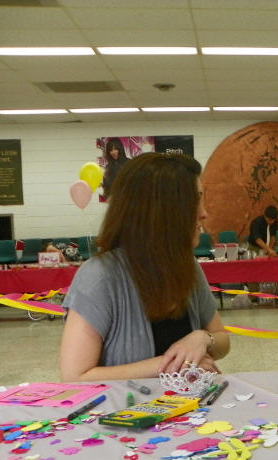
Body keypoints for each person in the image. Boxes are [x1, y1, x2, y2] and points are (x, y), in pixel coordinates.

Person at [59, 152, 230, 381]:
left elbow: (222, 340)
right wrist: (172, 362)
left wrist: (202, 339)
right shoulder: (99, 276)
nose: (204, 213)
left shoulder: (186, 265)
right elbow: (75, 377)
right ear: (162, 211)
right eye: (195, 200)